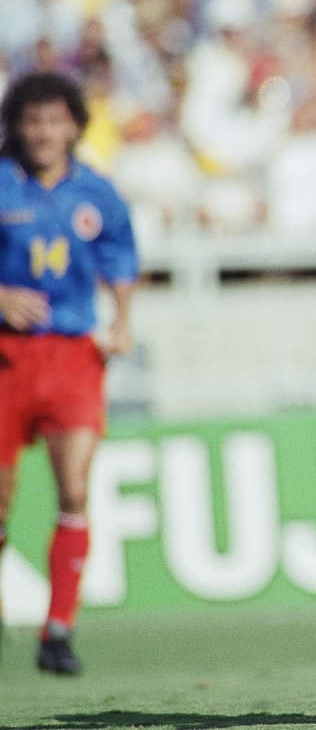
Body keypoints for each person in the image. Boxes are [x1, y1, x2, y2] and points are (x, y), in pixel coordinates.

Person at [0, 70, 139, 674]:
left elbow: (121, 260)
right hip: (7, 357)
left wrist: (123, 320)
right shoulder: (3, 184)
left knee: (76, 490)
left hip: (75, 358)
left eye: (54, 120)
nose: (43, 132)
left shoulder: (98, 193)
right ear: (17, 127)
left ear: (74, 126)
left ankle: (58, 630)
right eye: (32, 121)